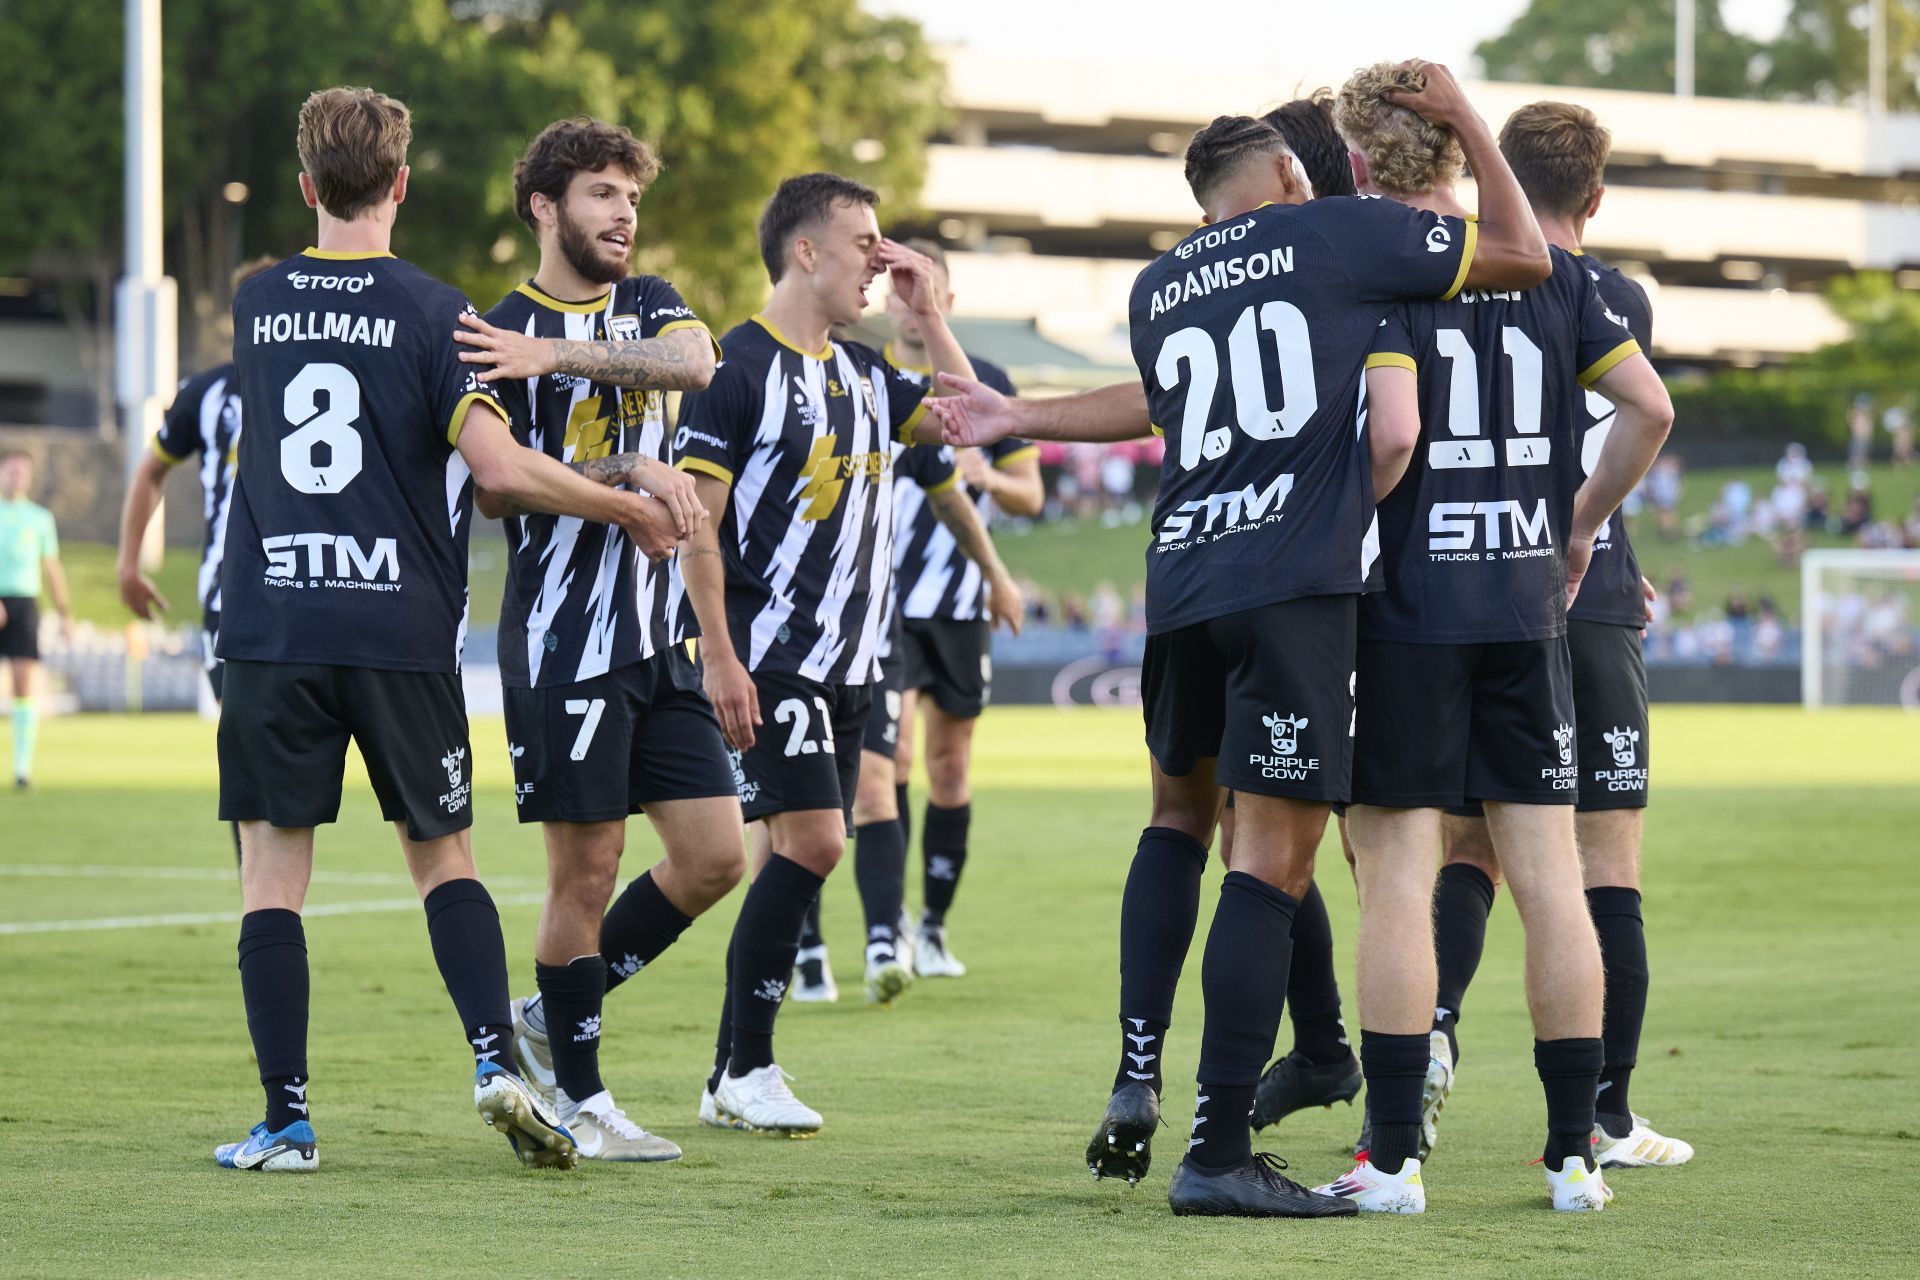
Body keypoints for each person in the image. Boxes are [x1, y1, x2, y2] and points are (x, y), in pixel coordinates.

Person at [930, 60, 1554, 1218]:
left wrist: (1019, 414)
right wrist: (1466, 119)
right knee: (1272, 862)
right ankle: (1218, 1149)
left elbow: (1157, 404)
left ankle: (1150, 1070)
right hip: (1293, 583)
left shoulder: (1162, 284)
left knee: (1181, 821)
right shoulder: (1339, 235)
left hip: (1182, 585)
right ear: (1282, 171)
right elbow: (1523, 260)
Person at [211, 86, 685, 1173]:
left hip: (274, 623)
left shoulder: (258, 304)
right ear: (403, 185)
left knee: (271, 879)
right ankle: (494, 1063)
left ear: (304, 187)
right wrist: (625, 503)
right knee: (445, 859)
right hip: (401, 628)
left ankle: (285, 1121)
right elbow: (501, 469)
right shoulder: (436, 312)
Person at [1312, 85, 1673, 1214]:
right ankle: (1576, 1153)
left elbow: (1391, 432)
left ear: (1366, 172)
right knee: (1555, 883)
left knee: (1398, 888)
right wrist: (1575, 522)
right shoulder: (1561, 277)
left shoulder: (1384, 277)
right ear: (1464, 158)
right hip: (1529, 611)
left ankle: (1391, 1159)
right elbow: (1650, 411)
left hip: (1413, 612)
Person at [448, 116, 739, 1163]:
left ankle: (545, 1014)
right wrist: (628, 475)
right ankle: (581, 1094)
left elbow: (696, 361)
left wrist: (560, 351)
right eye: (602, 193)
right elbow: (499, 486)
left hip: (658, 641)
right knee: (587, 871)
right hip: (566, 642)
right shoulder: (488, 330)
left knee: (714, 854)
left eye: (630, 195)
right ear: (544, 205)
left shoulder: (647, 304)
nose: (623, 212)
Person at [671, 173, 965, 1134]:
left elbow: (967, 421)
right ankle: (748, 1069)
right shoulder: (736, 367)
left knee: (805, 850)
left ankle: (716, 1070)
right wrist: (718, 655)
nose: (880, 261)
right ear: (805, 251)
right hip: (770, 654)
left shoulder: (870, 372)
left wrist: (931, 310)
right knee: (816, 841)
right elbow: (696, 530)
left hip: (855, 665)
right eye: (864, 243)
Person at [880, 237, 1039, 983]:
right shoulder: (864, 377)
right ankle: (894, 923)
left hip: (959, 602)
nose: (913, 306)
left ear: (946, 301)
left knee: (950, 767)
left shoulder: (990, 382)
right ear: (884, 297)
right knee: (898, 755)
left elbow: (1030, 494)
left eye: (928, 291)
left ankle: (935, 924)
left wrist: (990, 478)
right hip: (880, 603)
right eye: (902, 290)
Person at [118, 256, 278, 863]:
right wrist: (128, 563)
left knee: (283, 747)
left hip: (317, 589)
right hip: (229, 595)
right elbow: (151, 469)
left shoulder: (325, 374)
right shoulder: (207, 392)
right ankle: (261, 906)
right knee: (248, 744)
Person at [0, 449, 73, 790]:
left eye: (22, 472)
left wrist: (64, 613)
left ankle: (21, 768)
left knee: (23, 684)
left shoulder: (40, 518)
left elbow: (52, 567)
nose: (17, 477)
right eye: (11, 471)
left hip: (24, 603)